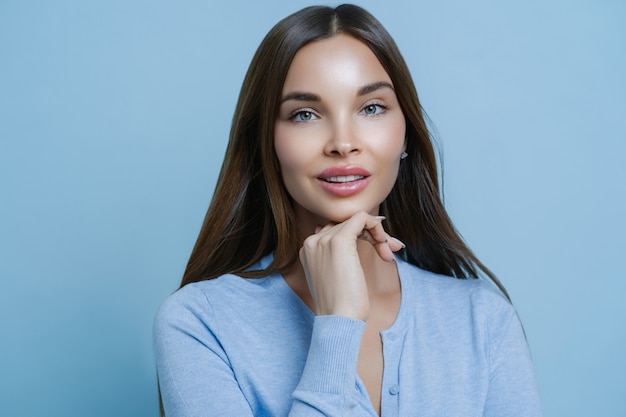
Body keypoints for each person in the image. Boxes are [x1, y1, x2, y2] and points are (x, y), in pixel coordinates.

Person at [153, 4, 542, 416]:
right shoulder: (199, 323)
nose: (343, 142)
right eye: (305, 114)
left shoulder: (481, 319)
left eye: (371, 108)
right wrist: (337, 326)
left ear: (405, 132)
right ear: (267, 142)